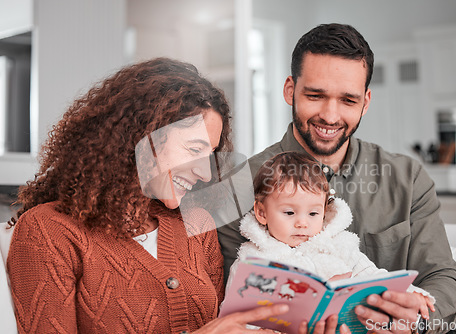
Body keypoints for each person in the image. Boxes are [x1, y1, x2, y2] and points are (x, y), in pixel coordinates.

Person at [6, 57, 327, 334]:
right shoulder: (47, 232)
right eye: (194, 149)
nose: (204, 173)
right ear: (142, 137)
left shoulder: (196, 225)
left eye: (211, 155)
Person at [217, 24, 456, 333]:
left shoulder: (408, 178)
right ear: (289, 90)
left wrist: (417, 323)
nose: (331, 116)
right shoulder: (237, 187)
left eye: (348, 100)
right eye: (315, 95)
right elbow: (223, 302)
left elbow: (445, 280)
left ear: (366, 101)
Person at [225, 152, 435, 327]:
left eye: (313, 214)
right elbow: (232, 322)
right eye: (289, 213)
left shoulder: (339, 245)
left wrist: (413, 295)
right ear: (262, 213)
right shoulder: (250, 262)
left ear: (324, 213)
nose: (302, 223)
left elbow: (376, 278)